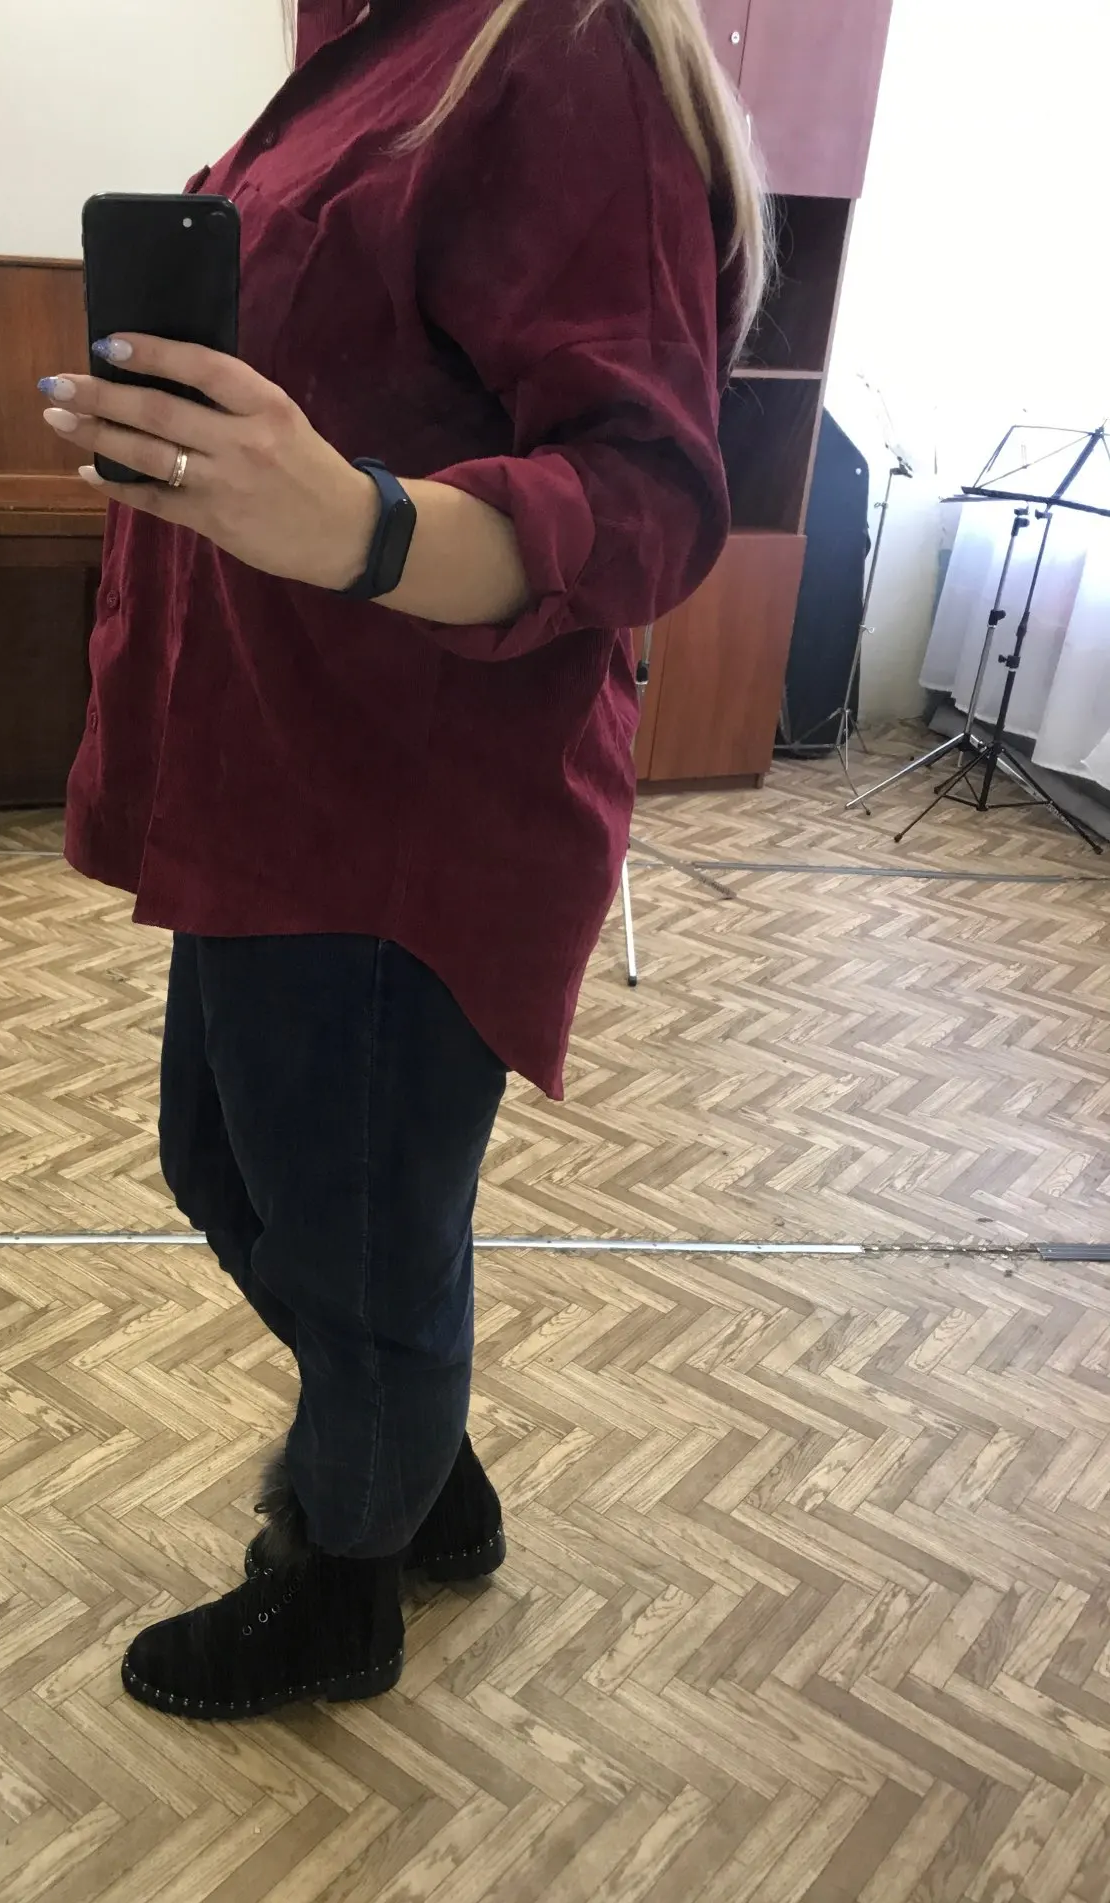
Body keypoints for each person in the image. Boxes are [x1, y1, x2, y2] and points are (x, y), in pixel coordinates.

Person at [39, 0, 767, 1721]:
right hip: (268, 777)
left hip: (399, 810)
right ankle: (423, 1468)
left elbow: (649, 496)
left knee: (354, 1246)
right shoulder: (381, 40)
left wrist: (357, 522)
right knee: (241, 1177)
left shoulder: (563, 50)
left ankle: (342, 1586)